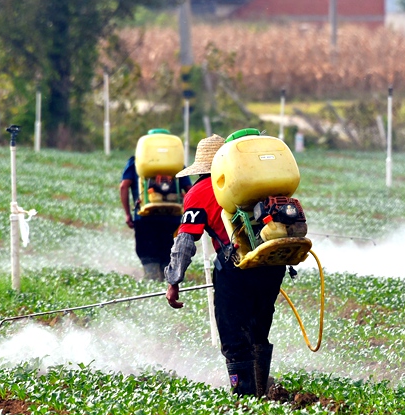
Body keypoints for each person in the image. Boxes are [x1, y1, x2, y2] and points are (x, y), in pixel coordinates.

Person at [164, 133, 287, 397]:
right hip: (273, 263)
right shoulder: (258, 180)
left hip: (237, 268)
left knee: (233, 335)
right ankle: (261, 389)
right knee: (258, 328)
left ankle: (245, 398)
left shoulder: (199, 191)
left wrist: (174, 281)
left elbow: (186, 242)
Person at [120, 150, 191, 281]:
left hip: (144, 217)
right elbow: (189, 189)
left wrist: (127, 214)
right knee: (168, 252)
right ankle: (169, 282)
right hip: (172, 217)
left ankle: (152, 279)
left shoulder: (136, 160)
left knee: (148, 253)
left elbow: (124, 186)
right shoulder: (175, 161)